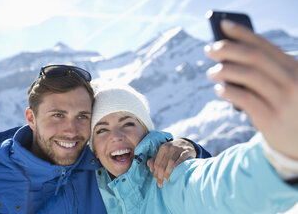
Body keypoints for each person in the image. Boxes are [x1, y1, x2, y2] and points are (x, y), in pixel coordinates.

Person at [90, 20, 298, 213]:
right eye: (101, 129)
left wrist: (279, 158)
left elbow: (221, 188)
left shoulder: (171, 178)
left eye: (127, 123)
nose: (115, 136)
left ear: (146, 132)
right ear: (94, 150)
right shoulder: (92, 195)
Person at [0, 64, 210, 213]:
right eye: (58, 115)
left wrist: (190, 148)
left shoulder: (104, 168)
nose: (72, 131)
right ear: (31, 118)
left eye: (83, 116)